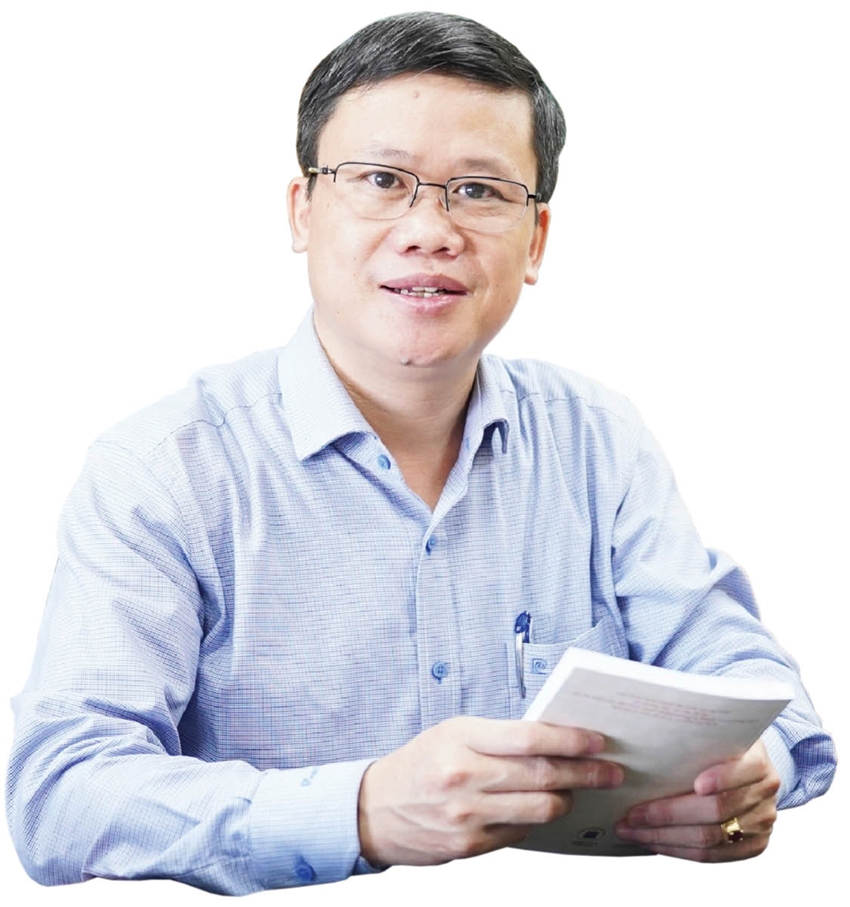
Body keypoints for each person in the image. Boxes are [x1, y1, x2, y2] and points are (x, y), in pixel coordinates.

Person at [6, 11, 835, 896]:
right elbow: (61, 795)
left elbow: (756, 685)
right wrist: (360, 809)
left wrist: (753, 769)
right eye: (381, 179)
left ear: (536, 241)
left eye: (479, 190)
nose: (430, 229)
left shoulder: (596, 440)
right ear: (303, 210)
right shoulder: (164, 469)